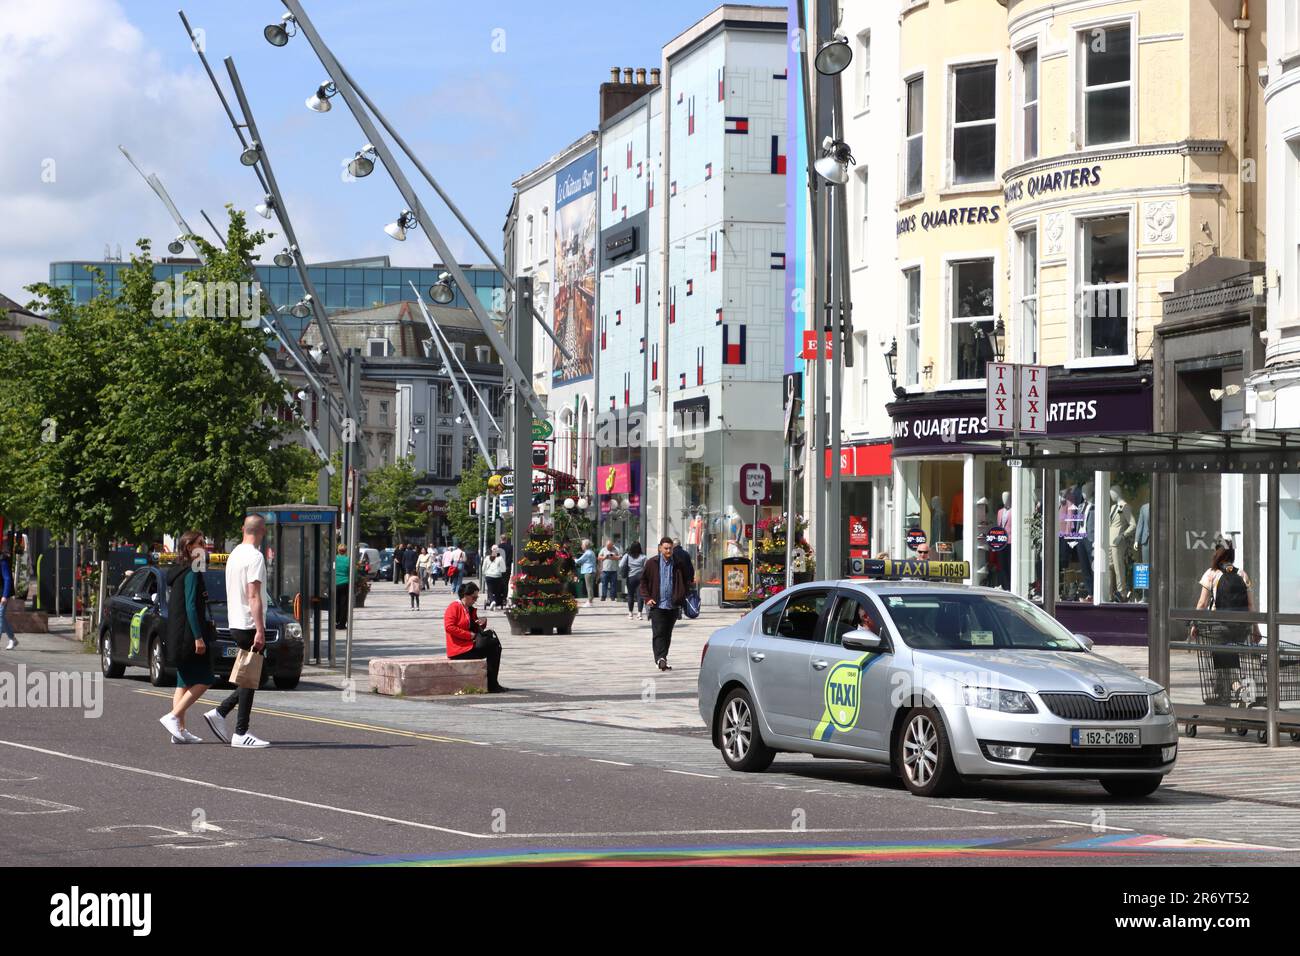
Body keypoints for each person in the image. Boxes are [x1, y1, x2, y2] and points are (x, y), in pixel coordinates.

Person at [203, 514, 271, 749]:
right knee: (251, 678)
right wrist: (260, 629)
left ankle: (220, 713)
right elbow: (253, 595)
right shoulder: (255, 556)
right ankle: (240, 732)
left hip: (235, 622)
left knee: (251, 677)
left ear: (243, 529)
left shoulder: (234, 555)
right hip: (249, 624)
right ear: (262, 531)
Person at [159, 531, 216, 744]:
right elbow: (191, 607)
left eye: (204, 542)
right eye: (200, 543)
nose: (204, 546)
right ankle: (173, 717)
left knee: (182, 683)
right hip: (188, 635)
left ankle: (179, 731)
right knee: (206, 679)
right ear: (189, 547)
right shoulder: (192, 571)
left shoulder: (180, 570)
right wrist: (198, 637)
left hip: (178, 634)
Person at [639, 536, 693, 671]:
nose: (668, 551)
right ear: (660, 548)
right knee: (658, 632)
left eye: (670, 548)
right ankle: (660, 658)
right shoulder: (652, 563)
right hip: (657, 604)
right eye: (666, 548)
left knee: (667, 633)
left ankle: (663, 657)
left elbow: (687, 578)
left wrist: (682, 593)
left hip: (673, 604)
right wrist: (647, 598)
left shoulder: (678, 563)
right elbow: (643, 581)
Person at [444, 581, 507, 693]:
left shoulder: (469, 608)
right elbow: (449, 627)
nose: (475, 600)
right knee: (493, 648)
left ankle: (492, 683)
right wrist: (469, 635)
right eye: (474, 597)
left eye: (476, 598)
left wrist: (481, 623)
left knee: (495, 646)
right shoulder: (454, 607)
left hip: (468, 645)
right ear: (465, 595)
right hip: (459, 649)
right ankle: (492, 685)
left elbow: (473, 627)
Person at [620, 541, 647, 621]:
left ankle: (630, 613)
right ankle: (639, 614)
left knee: (630, 595)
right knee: (640, 595)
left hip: (630, 577)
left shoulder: (627, 556)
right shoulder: (643, 557)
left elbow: (620, 565)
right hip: (640, 577)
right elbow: (646, 567)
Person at [0, 546, 16, 650]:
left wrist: (5, 596)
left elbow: (7, 578)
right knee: (1, 617)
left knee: (0, 615)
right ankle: (12, 639)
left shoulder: (2, 560)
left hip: (3, 592)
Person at [334, 544, 350, 629]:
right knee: (344, 604)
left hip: (335, 583)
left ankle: (336, 619)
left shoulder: (334, 559)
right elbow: (353, 572)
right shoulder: (348, 560)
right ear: (346, 551)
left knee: (336, 602)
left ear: (338, 550)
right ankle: (342, 623)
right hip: (345, 583)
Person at [577, 539, 597, 607]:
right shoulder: (591, 552)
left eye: (582, 545)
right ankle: (590, 600)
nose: (581, 546)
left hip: (588, 571)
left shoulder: (587, 553)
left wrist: (573, 559)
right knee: (590, 586)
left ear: (585, 545)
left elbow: (579, 561)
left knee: (589, 586)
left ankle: (589, 601)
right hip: (591, 571)